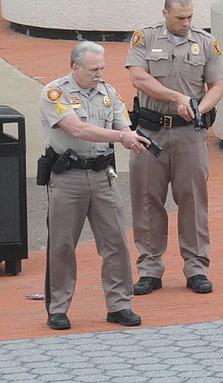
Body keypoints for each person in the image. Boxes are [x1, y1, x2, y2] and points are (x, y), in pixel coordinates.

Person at [39, 41, 150, 330]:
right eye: (93, 69)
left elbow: (122, 125)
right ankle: (59, 308)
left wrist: (131, 137)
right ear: (75, 67)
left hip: (102, 177)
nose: (99, 74)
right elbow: (77, 128)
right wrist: (120, 137)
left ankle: (119, 305)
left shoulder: (108, 93)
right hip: (68, 178)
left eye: (101, 68)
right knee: (62, 244)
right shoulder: (55, 93)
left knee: (115, 242)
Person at [125, 0, 223, 295]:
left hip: (189, 133)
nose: (186, 22)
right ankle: (150, 269)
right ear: (165, 13)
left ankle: (196, 268)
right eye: (180, 18)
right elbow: (139, 79)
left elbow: (218, 84)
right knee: (147, 199)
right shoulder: (145, 38)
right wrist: (178, 97)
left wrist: (199, 107)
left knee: (193, 200)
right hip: (150, 132)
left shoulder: (205, 42)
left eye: (190, 17)